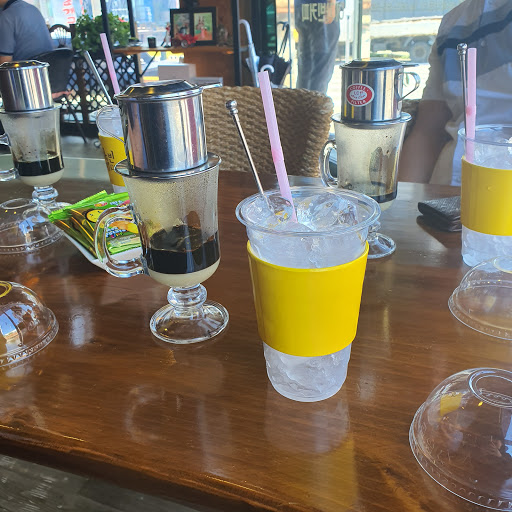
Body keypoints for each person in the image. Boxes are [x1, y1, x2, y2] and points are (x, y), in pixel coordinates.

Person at [399, 0, 512, 185]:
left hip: (500, 191)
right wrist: (403, 198)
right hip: (442, 191)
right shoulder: (451, 23)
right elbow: (427, 133)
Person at [294, 0, 342, 94]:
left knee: (305, 66)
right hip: (322, 8)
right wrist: (331, 3)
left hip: (302, 8)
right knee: (321, 66)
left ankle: (301, 101)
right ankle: (315, 102)